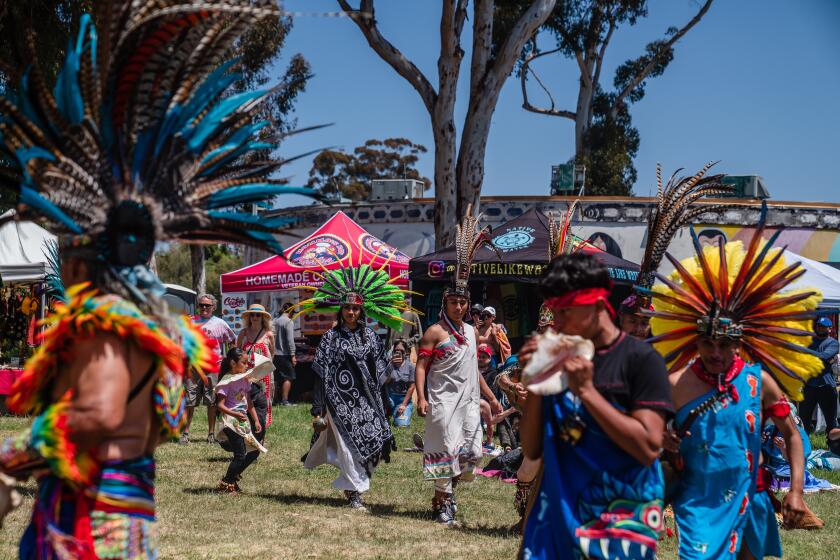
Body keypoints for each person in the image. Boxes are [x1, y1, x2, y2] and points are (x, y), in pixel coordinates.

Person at [0, 1, 307, 556]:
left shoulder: (108, 330)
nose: (63, 264)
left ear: (83, 263)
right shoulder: (154, 335)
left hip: (83, 531)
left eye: (68, 248)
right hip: (120, 521)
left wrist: (12, 461)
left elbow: (92, 415)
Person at [646, 206, 820, 559]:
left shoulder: (760, 383)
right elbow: (641, 431)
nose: (715, 352)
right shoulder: (676, 382)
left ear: (739, 343)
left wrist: (796, 491)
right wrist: (660, 437)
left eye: (724, 344)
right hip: (698, 502)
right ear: (694, 341)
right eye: (707, 343)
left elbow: (792, 435)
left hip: (750, 498)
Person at [519, 253, 673, 560]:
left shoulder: (641, 361)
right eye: (553, 312)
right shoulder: (561, 355)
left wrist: (587, 392)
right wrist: (536, 380)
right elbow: (533, 449)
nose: (557, 323)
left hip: (617, 524)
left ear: (597, 305)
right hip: (557, 517)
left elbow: (648, 446)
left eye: (565, 312)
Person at [298, 262, 413, 511]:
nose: (351, 312)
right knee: (349, 449)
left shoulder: (370, 336)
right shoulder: (331, 337)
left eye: (356, 308)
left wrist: (384, 404)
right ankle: (353, 493)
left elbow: (380, 372)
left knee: (371, 443)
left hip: (366, 402)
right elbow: (320, 372)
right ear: (341, 310)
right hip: (338, 404)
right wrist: (317, 407)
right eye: (347, 308)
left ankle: (355, 485)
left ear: (362, 311)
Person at [415, 209, 503, 526]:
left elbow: (473, 369)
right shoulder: (434, 332)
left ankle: (444, 497)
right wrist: (421, 398)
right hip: (442, 400)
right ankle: (443, 504)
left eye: (463, 302)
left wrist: (491, 397)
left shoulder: (470, 332)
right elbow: (421, 365)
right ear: (445, 303)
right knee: (446, 451)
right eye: (454, 302)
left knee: (473, 453)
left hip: (467, 402)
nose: (459, 306)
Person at [182, 293, 236, 445]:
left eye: (207, 305)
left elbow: (232, 340)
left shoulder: (220, 323)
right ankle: (185, 433)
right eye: (201, 305)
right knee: (189, 401)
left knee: (211, 402)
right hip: (193, 366)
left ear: (213, 307)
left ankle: (211, 434)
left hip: (213, 367)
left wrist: (229, 360)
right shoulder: (190, 322)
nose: (204, 308)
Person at [214, 348, 271, 493]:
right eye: (244, 363)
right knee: (240, 455)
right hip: (230, 422)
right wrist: (235, 414)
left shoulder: (244, 379)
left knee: (254, 452)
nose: (247, 365)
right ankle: (226, 483)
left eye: (247, 362)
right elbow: (219, 405)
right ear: (233, 363)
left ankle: (232, 478)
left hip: (241, 422)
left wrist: (257, 420)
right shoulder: (226, 381)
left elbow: (249, 402)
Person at [237, 304, 276, 428]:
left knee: (263, 399)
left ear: (262, 317)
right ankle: (246, 424)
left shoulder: (268, 334)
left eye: (258, 315)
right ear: (248, 317)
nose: (255, 317)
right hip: (246, 373)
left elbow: (272, 353)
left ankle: (262, 425)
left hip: (264, 375)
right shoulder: (243, 333)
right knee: (245, 397)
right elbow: (237, 352)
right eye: (252, 315)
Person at [799, 317, 839, 434]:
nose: (819, 328)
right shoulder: (809, 341)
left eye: (823, 326)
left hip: (826, 387)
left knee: (831, 422)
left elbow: (824, 356)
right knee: (803, 420)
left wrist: (809, 356)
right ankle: (804, 448)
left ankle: (833, 448)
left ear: (830, 329)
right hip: (809, 386)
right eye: (818, 326)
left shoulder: (833, 343)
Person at [384, 340, 416, 427]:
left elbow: (411, 387)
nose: (398, 353)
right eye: (395, 351)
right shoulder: (388, 364)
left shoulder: (411, 367)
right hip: (389, 398)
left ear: (406, 353)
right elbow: (385, 382)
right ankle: (389, 412)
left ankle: (399, 414)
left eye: (401, 351)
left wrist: (403, 405)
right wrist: (390, 365)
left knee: (401, 425)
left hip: (403, 399)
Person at [272, 302, 297, 406]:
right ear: (291, 311)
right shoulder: (288, 322)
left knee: (276, 378)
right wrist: (293, 355)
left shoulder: (274, 321)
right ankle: (285, 400)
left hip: (274, 354)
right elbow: (290, 340)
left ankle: (274, 400)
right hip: (285, 354)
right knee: (288, 377)